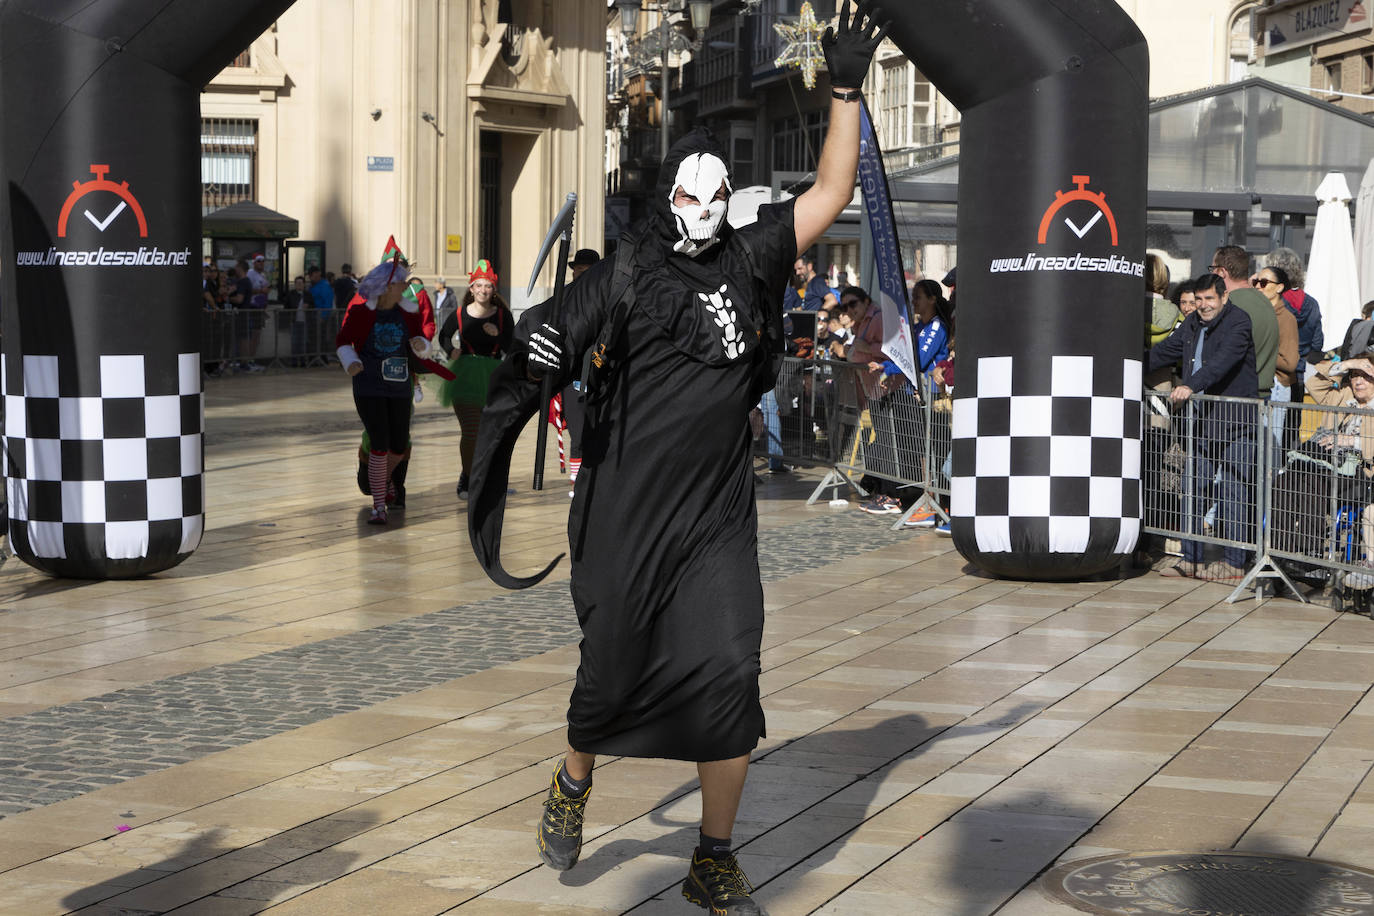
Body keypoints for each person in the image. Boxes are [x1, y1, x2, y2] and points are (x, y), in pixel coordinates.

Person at [466, 5, 885, 912]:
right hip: (624, 516)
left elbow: (829, 191)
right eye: (685, 197)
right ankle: (574, 778)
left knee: (731, 670)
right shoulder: (623, 273)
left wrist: (846, 90)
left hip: (717, 520)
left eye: (713, 195)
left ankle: (714, 851)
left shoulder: (752, 257)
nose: (700, 211)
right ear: (665, 199)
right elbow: (548, 334)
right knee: (610, 671)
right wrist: (535, 352)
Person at [1148, 273, 1259, 581]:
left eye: (1210, 299)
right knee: (1192, 489)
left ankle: (1235, 563)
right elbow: (1167, 351)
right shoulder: (1193, 323)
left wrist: (1190, 386)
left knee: (1234, 491)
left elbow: (1223, 361)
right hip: (1201, 424)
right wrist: (1127, 362)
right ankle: (1191, 558)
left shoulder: (1239, 322)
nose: (1203, 305)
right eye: (1198, 300)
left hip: (1236, 422)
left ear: (1224, 297)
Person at [335, 254, 435, 524]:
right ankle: (379, 504)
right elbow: (343, 341)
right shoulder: (361, 312)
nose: (406, 287)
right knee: (379, 442)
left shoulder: (408, 312)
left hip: (400, 383)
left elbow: (421, 339)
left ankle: (384, 482)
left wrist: (421, 346)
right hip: (368, 384)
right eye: (401, 283)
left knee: (399, 445)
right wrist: (351, 361)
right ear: (387, 286)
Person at [436, 260, 513, 499]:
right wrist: (451, 350)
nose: (483, 290)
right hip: (466, 376)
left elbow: (513, 346)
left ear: (493, 289)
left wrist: (498, 336)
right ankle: (467, 479)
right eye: (478, 285)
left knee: (491, 432)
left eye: (487, 286)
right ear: (471, 288)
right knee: (471, 431)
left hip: (493, 377)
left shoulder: (502, 316)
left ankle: (488, 478)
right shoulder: (460, 314)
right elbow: (444, 335)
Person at [1211, 245, 1276, 397]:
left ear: (1221, 272)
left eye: (1212, 269)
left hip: (1236, 396)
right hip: (1261, 395)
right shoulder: (1265, 301)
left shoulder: (1230, 304)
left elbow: (1220, 353)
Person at [1251, 265, 1299, 445]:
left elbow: (1290, 362)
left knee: (1270, 444)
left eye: (1263, 283)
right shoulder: (1257, 313)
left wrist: (1259, 352)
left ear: (1279, 287)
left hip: (1276, 385)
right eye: (1255, 282)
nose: (1257, 286)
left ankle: (1272, 474)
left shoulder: (1286, 318)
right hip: (1257, 383)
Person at [284, 276, 314, 367]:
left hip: (305, 321)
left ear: (304, 284)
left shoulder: (308, 294)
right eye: (297, 283)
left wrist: (308, 307)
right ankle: (294, 361)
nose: (299, 285)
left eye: (301, 283)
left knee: (303, 341)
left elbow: (313, 305)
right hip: (294, 321)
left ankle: (302, 361)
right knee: (294, 341)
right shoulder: (291, 294)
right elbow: (286, 306)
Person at [308, 266, 334, 360]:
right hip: (313, 316)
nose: (316, 278)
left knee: (321, 338)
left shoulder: (324, 286)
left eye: (317, 275)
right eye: (314, 276)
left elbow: (328, 302)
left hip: (321, 316)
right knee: (314, 338)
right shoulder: (312, 286)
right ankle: (315, 357)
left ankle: (322, 358)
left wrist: (323, 316)